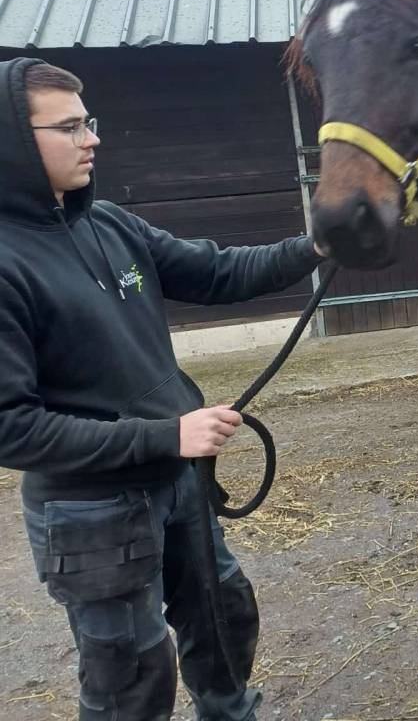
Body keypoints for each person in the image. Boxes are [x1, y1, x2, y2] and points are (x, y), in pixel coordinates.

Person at [0, 57, 326, 720]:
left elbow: (216, 273)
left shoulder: (110, 225)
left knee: (224, 622)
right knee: (132, 677)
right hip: (92, 513)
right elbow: (11, 426)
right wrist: (168, 433)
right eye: (67, 127)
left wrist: (319, 244)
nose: (91, 138)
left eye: (88, 121)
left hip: (178, 482)